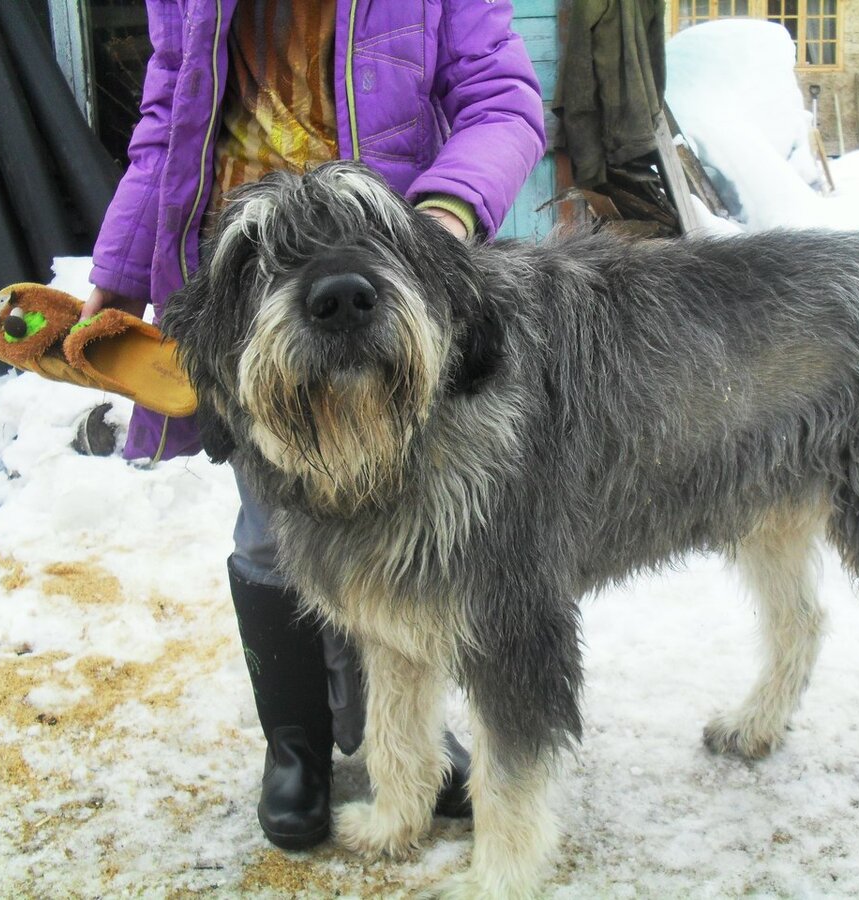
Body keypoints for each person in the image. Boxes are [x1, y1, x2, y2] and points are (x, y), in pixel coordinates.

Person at [84, 0, 546, 850]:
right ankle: (294, 745)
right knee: (272, 538)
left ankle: (391, 742)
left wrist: (441, 219)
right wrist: (116, 273)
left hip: (383, 271)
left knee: (404, 536)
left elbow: (503, 99)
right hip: (252, 282)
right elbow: (165, 127)